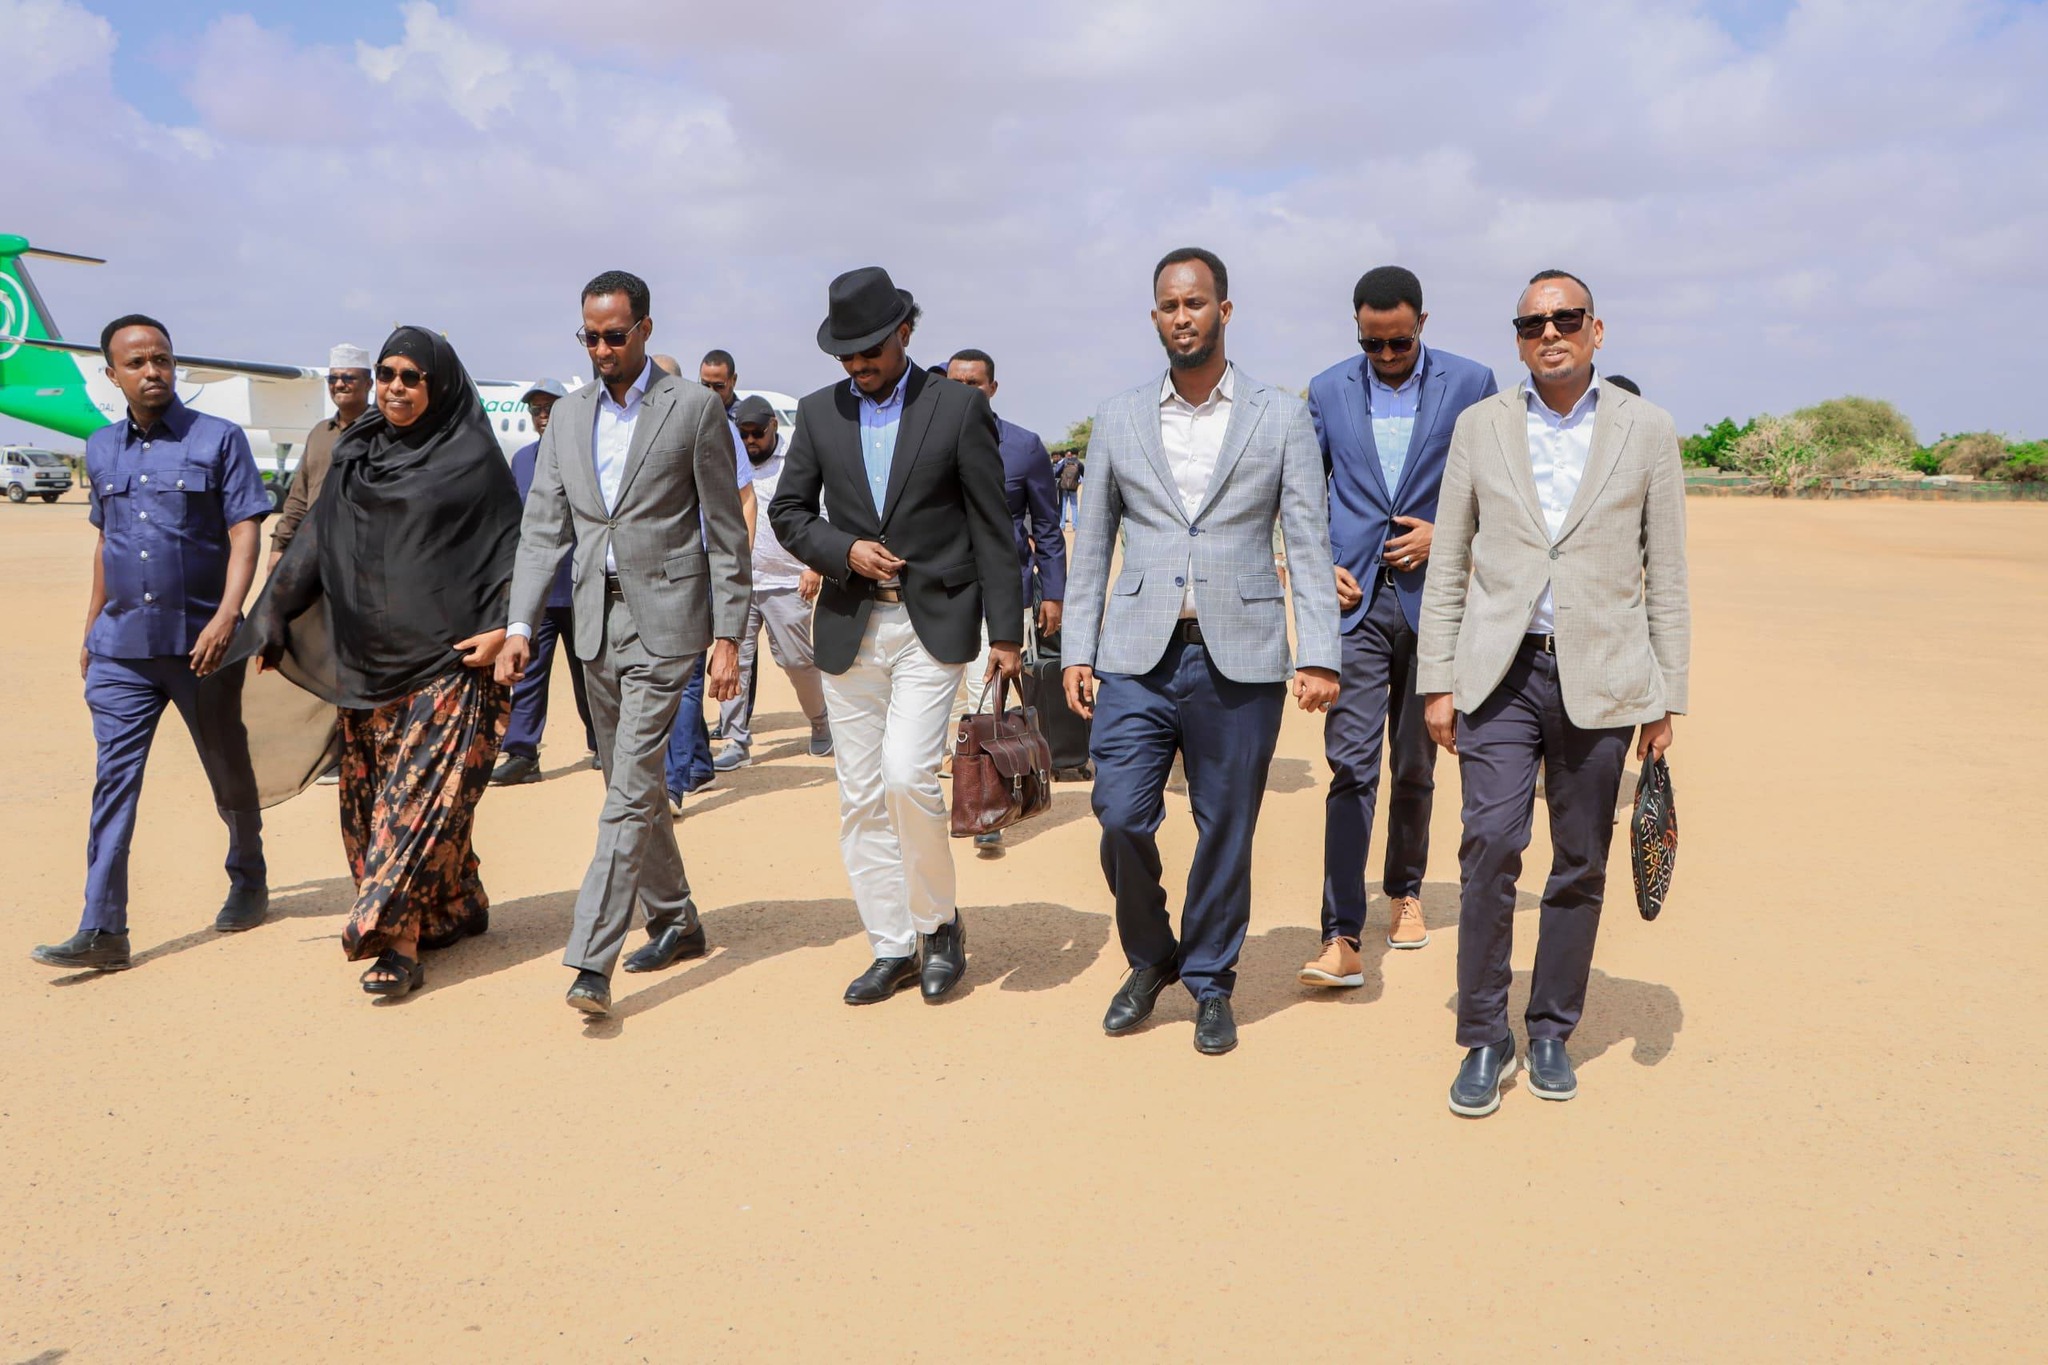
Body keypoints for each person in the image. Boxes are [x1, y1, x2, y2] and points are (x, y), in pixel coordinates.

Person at [1418, 270, 1690, 1117]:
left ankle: (1549, 1029)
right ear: (1517, 338)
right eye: (1533, 322)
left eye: (1566, 318)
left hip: (1602, 677)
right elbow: (1448, 561)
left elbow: (1668, 573)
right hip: (1499, 673)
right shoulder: (1480, 426)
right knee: (1490, 844)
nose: (1550, 333)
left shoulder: (1648, 429)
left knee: (1581, 859)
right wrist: (1437, 681)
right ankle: (1482, 1034)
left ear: (1596, 330)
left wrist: (1666, 694)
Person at [1062, 248, 1341, 1055]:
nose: (1182, 316)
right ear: (1155, 316)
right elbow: (1092, 546)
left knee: (1227, 825)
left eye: (1195, 302)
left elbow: (1308, 544)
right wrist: (1076, 648)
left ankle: (1212, 979)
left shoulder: (1279, 416)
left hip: (1242, 656)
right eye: (1169, 305)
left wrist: (1319, 652)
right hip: (1135, 655)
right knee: (1119, 813)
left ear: (1224, 310)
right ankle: (1153, 955)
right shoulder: (1118, 417)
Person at [768, 266, 1023, 1006]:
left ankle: (938, 926)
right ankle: (892, 944)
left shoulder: (957, 408)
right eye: (845, 354)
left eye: (870, 350)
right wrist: (842, 550)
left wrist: (1007, 633)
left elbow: (991, 525)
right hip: (848, 624)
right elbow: (789, 512)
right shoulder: (818, 413)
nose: (857, 365)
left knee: (908, 776)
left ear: (905, 332)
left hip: (931, 621)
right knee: (859, 794)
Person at [498, 272, 749, 1018]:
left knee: (632, 785)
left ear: (643, 329)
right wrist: (519, 627)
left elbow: (725, 532)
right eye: (590, 336)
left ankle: (591, 958)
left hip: (666, 622)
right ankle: (675, 916)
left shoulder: (692, 408)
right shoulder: (568, 418)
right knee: (625, 782)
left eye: (614, 335)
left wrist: (728, 636)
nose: (602, 349)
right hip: (591, 622)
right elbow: (542, 529)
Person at [247, 326, 523, 998]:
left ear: (439, 384)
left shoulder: (472, 459)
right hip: (367, 667)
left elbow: (517, 550)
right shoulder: (358, 450)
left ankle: (394, 942)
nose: (395, 387)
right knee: (371, 804)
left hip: (451, 665)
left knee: (415, 806)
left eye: (410, 376)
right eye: (385, 373)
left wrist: (505, 628)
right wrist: (272, 613)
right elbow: (317, 539)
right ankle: (456, 902)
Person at [31, 315, 272, 973]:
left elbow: (245, 531)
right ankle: (102, 927)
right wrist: (91, 626)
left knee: (226, 767)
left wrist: (228, 616)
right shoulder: (100, 446)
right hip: (121, 649)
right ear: (112, 375)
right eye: (136, 363)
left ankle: (248, 875)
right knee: (114, 781)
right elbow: (106, 540)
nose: (152, 371)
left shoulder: (218, 439)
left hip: (202, 646)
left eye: (161, 359)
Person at [1298, 267, 1498, 988]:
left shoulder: (1472, 384)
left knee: (1415, 763)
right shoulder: (1325, 390)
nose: (1386, 355)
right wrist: (1316, 564)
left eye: (1399, 343)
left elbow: (1503, 490)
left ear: (1423, 325)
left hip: (1435, 604)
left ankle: (1406, 890)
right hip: (1353, 605)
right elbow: (1301, 494)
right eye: (1372, 343)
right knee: (1351, 764)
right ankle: (1339, 931)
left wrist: (1446, 537)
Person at [944, 347, 1066, 853]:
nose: (964, 391)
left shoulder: (1024, 447)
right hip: (939, 592)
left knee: (987, 690)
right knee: (946, 696)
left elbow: (1047, 526)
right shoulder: (926, 441)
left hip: (1002, 593)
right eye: (955, 382)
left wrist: (1053, 593)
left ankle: (989, 803)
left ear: (992, 388)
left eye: (974, 383)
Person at [651, 353, 755, 804]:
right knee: (673, 670)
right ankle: (697, 763)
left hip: (703, 567)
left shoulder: (715, 425)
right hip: (655, 572)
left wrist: (736, 563)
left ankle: (672, 784)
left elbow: (745, 496)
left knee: (688, 674)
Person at [712, 394, 830, 769]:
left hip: (788, 581)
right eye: (743, 433)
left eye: (757, 433)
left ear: (773, 427)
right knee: (735, 663)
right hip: (740, 582)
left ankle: (821, 723)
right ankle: (735, 740)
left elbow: (821, 513)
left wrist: (815, 566)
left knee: (796, 661)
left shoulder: (796, 461)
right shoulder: (729, 461)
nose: (750, 441)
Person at [491, 379, 597, 784]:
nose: (542, 415)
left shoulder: (586, 454)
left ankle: (603, 744)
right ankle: (522, 753)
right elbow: (514, 523)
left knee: (590, 673)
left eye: (549, 407)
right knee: (528, 672)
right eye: (535, 409)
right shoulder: (521, 461)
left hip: (582, 585)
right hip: (538, 591)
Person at [269, 345, 372, 572]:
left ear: (368, 384)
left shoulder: (382, 432)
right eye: (333, 378)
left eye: (348, 378)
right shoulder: (319, 433)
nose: (339, 384)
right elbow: (299, 498)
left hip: (364, 557)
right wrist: (279, 546)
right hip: (315, 553)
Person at [699, 348, 738, 415]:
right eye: (705, 385)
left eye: (718, 386)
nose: (711, 392)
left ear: (733, 380)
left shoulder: (745, 417)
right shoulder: (692, 413)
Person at [1054, 448, 1082, 529]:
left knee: (1063, 506)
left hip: (1064, 487)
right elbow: (1083, 474)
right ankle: (1075, 525)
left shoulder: (1065, 462)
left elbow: (1057, 472)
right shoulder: (1079, 463)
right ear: (1077, 454)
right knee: (1074, 506)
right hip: (1073, 487)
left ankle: (1062, 525)